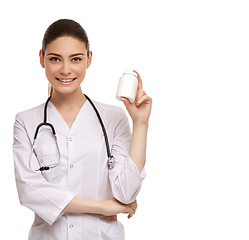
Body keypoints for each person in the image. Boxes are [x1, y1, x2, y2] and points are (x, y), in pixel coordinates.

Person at [13, 19, 152, 240]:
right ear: (42, 59)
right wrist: (102, 208)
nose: (66, 70)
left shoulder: (113, 118)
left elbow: (126, 193)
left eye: (76, 59)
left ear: (88, 59)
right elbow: (30, 191)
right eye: (55, 59)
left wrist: (141, 123)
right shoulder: (26, 121)